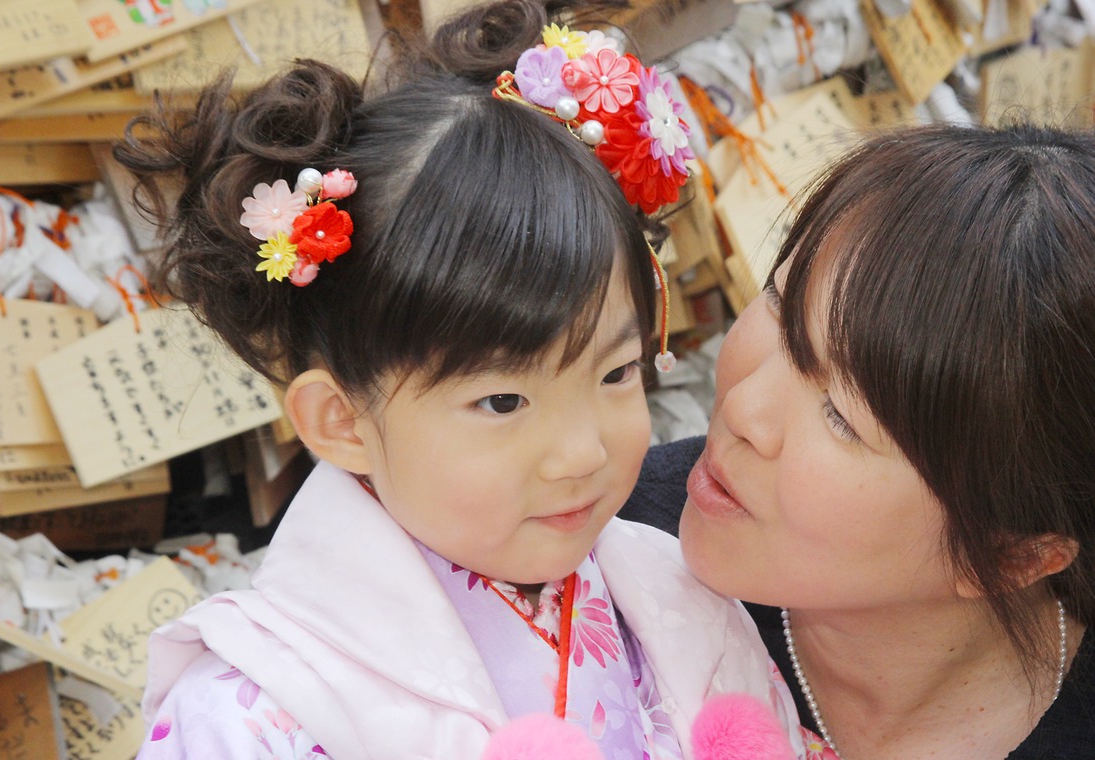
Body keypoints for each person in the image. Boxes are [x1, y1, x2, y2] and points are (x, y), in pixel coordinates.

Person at [116, 0, 806, 756]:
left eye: (617, 373)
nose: (581, 453)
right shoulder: (248, 715)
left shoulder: (680, 592)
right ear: (342, 421)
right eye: (504, 399)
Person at [621, 121, 1095, 759]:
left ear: (1014, 557)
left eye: (842, 416)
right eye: (778, 307)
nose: (740, 408)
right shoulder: (598, 541)